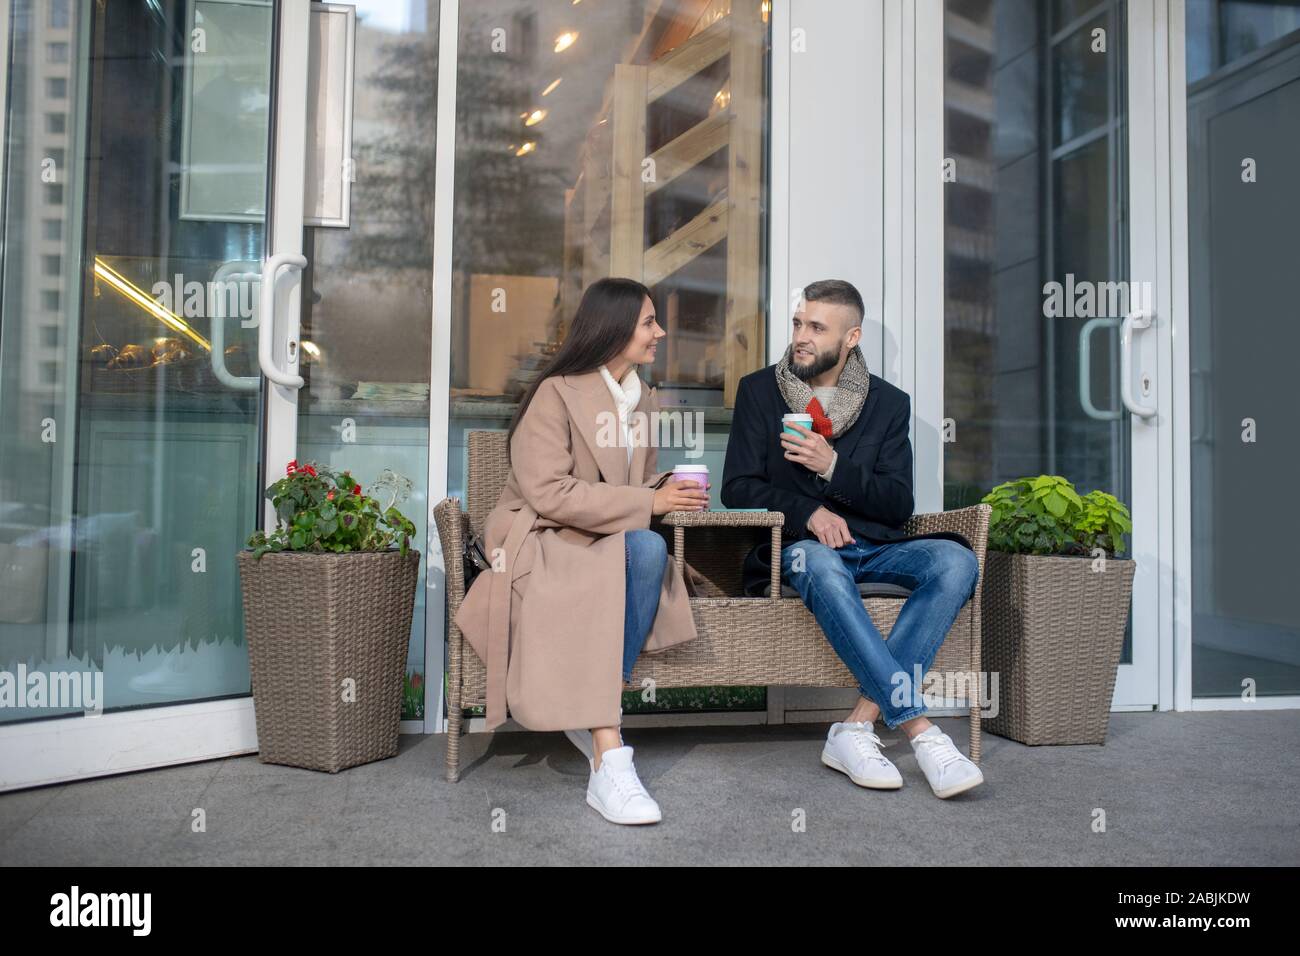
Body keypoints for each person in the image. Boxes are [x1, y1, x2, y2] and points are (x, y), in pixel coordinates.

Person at [453, 277, 711, 825]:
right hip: (540, 537)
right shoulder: (555, 393)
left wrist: (670, 491)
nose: (660, 332)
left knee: (645, 550)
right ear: (614, 329)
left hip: (605, 537)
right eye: (648, 322)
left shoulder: (643, 398)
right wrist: (650, 500)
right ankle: (608, 749)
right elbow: (549, 492)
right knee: (634, 548)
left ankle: (594, 715)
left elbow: (636, 485)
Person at [720, 279, 985, 798]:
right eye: (799, 322)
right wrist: (809, 510)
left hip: (875, 548)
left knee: (955, 562)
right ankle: (919, 730)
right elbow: (737, 487)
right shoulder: (759, 391)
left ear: (851, 337)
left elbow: (897, 503)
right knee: (818, 565)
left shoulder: (889, 404)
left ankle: (857, 725)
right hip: (801, 551)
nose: (802, 336)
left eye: (817, 327)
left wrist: (833, 467)